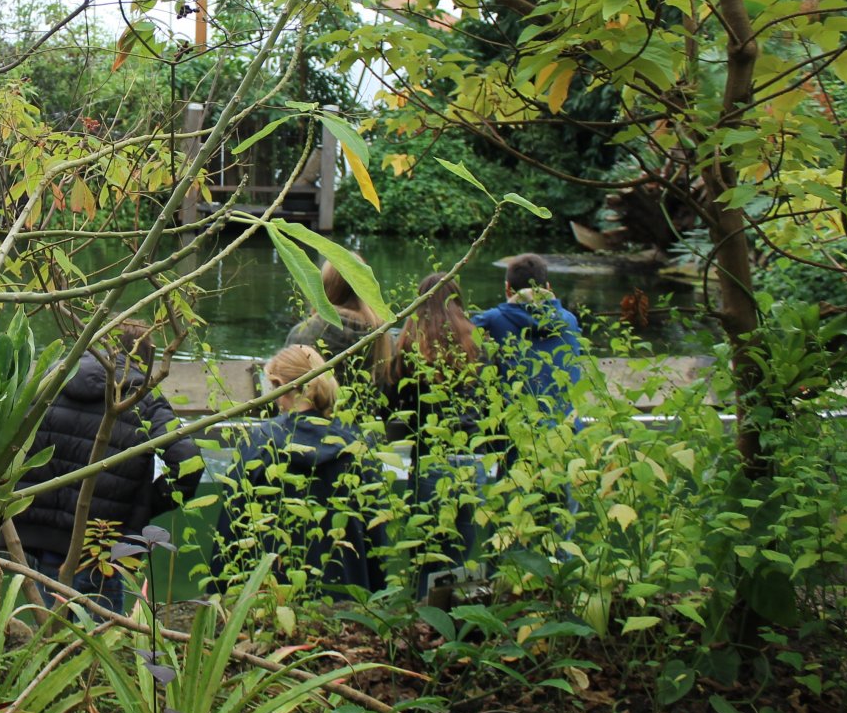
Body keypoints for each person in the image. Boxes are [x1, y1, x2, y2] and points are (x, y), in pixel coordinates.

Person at [13, 324, 201, 608]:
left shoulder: (52, 380)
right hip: (102, 544)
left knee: (47, 630)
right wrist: (148, 503)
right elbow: (189, 461)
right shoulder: (141, 396)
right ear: (146, 359)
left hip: (39, 537)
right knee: (98, 636)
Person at [217, 345, 380, 594]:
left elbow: (231, 525)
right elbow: (374, 531)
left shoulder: (260, 441)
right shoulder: (355, 446)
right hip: (347, 591)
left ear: (279, 384)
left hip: (271, 595)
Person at [388, 273, 488, 598]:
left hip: (431, 459)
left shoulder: (409, 343)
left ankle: (423, 626)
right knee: (459, 557)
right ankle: (454, 631)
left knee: (426, 556)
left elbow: (393, 402)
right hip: (473, 461)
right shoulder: (477, 342)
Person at [472, 253, 584, 423]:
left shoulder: (493, 319)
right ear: (548, 287)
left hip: (520, 433)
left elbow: (457, 335)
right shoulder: (569, 320)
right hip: (569, 431)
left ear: (507, 288)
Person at [286, 255, 395, 390]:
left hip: (317, 410)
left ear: (324, 287)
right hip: (368, 410)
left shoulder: (304, 333)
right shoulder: (383, 336)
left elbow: (288, 389)